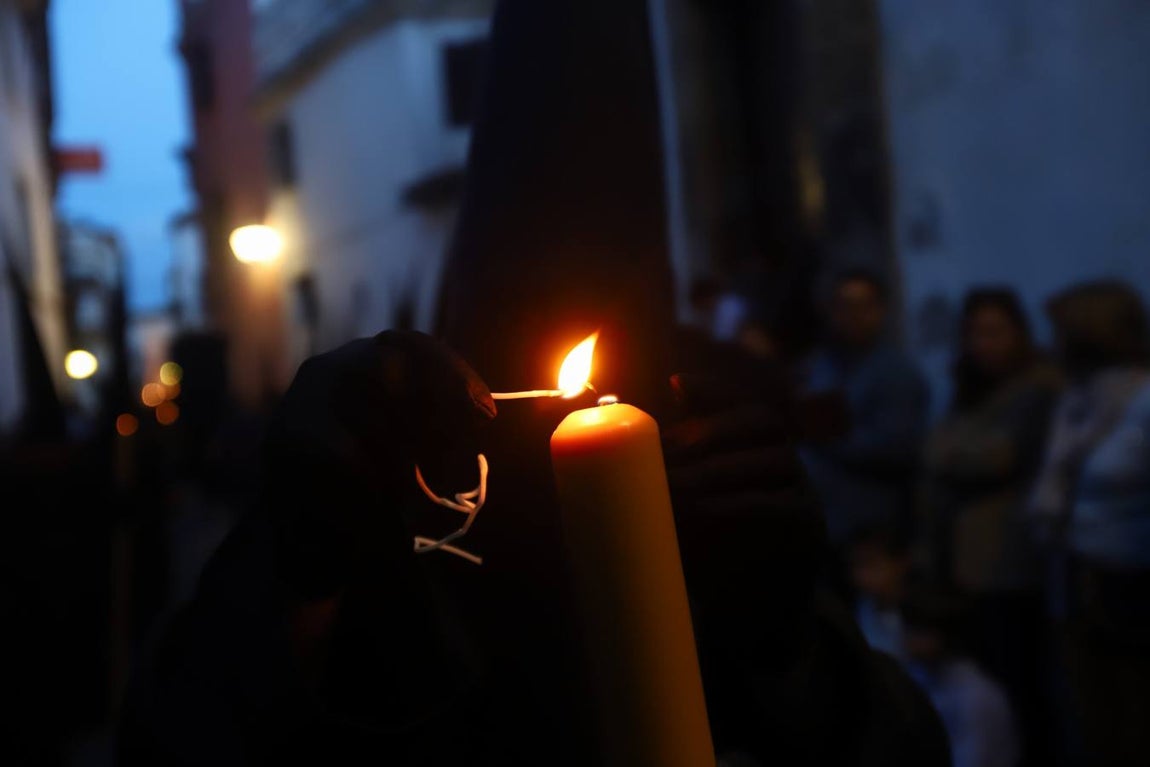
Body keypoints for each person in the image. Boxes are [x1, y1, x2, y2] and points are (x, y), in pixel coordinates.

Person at [922, 288, 1060, 764]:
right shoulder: (973, 388)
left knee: (1019, 691)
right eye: (974, 333)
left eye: (994, 331)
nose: (982, 344)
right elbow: (944, 444)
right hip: (972, 567)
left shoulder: (1038, 388)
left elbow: (993, 457)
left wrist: (949, 452)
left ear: (1019, 333)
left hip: (1011, 566)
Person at [1029, 280, 1150, 766]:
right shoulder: (1078, 398)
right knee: (1091, 723)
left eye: (1060, 332)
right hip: (1076, 578)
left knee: (1134, 722)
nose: (1050, 343)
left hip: (1131, 586)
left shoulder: (1142, 401)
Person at [801, 270, 930, 548]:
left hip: (872, 529)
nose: (853, 315)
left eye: (863, 306)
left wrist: (825, 438)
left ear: (881, 310)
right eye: (844, 306)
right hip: (825, 522)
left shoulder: (895, 372)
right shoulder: (823, 364)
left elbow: (896, 447)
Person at [901, 585, 1021, 767]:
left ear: (946, 635)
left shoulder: (975, 695)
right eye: (909, 629)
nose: (909, 641)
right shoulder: (920, 675)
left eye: (920, 632)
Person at [849, 524, 914, 660]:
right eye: (856, 564)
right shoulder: (857, 610)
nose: (860, 574)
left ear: (900, 563)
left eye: (871, 563)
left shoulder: (923, 611)